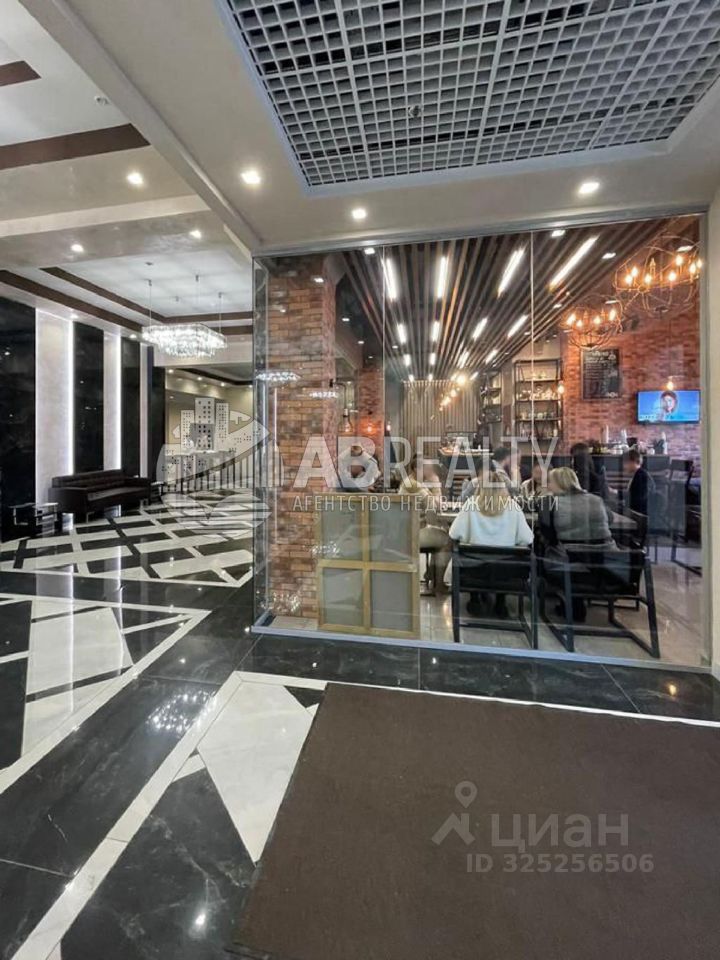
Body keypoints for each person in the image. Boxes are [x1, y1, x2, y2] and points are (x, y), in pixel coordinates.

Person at [447, 471, 533, 617]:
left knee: (466, 555)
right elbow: (527, 539)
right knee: (504, 561)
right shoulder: (513, 507)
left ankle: (475, 599)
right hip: (507, 572)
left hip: (474, 570)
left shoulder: (471, 505)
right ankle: (500, 601)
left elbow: (454, 534)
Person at [542, 467, 616, 622]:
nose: (547, 485)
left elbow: (549, 536)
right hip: (608, 566)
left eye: (550, 482)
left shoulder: (549, 503)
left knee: (542, 551)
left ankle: (560, 599)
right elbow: (610, 521)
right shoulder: (597, 500)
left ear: (559, 483)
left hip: (569, 568)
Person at [399, 456, 452, 592]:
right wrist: (436, 483)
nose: (429, 471)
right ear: (416, 469)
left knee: (441, 534)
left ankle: (431, 574)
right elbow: (435, 506)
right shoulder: (413, 485)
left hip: (408, 530)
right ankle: (438, 583)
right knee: (448, 540)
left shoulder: (412, 482)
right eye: (426, 468)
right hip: (412, 534)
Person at [623, 448, 655, 516]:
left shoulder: (641, 477)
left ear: (633, 462)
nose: (624, 466)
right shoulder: (638, 474)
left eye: (625, 463)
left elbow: (637, 500)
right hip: (636, 511)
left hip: (640, 515)